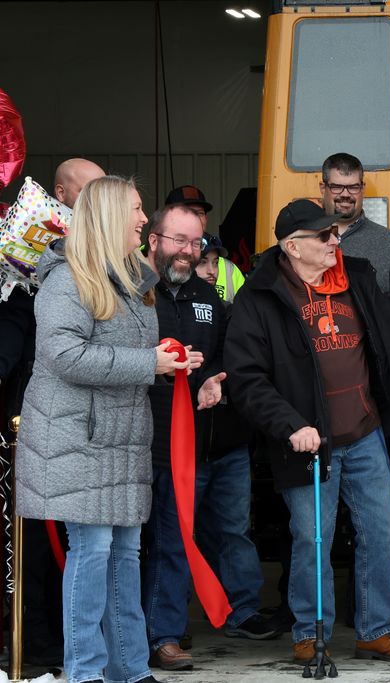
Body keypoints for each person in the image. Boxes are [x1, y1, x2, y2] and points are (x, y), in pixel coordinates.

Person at [225, 199, 390, 664]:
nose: (334, 241)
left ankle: (376, 629)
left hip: (364, 433)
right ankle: (309, 632)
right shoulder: (260, 296)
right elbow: (246, 378)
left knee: (382, 532)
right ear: (293, 246)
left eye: (335, 233)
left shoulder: (357, 277)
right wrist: (290, 425)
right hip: (306, 442)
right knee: (312, 540)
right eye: (324, 236)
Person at [16, 175, 188, 683]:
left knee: (125, 556)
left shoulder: (132, 282)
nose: (143, 218)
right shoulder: (68, 280)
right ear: (111, 216)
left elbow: (133, 358)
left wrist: (170, 365)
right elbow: (64, 354)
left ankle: (130, 670)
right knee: (92, 555)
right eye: (136, 209)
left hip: (121, 440)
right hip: (77, 441)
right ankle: (86, 672)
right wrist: (146, 364)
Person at [141, 205, 277, 672]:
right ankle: (164, 634)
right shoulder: (135, 293)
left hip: (223, 442)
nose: (188, 251)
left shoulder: (208, 295)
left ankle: (241, 611)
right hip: (165, 446)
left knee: (233, 531)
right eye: (179, 240)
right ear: (153, 239)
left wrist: (219, 380)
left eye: (196, 242)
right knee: (172, 540)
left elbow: (230, 356)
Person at [0, 157, 105, 666]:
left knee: (79, 539)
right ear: (59, 195)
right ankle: (35, 646)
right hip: (27, 420)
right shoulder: (22, 267)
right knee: (35, 542)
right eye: (89, 192)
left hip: (82, 422)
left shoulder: (102, 261)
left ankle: (70, 644)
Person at [319, 153, 390, 302]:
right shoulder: (303, 238)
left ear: (362, 188)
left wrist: (371, 310)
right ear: (322, 188)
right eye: (337, 187)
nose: (345, 194)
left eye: (353, 187)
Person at [165, 185, 246, 300]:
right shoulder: (150, 258)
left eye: (200, 213)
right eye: (187, 212)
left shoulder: (229, 270)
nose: (195, 219)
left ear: (206, 219)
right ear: (167, 218)